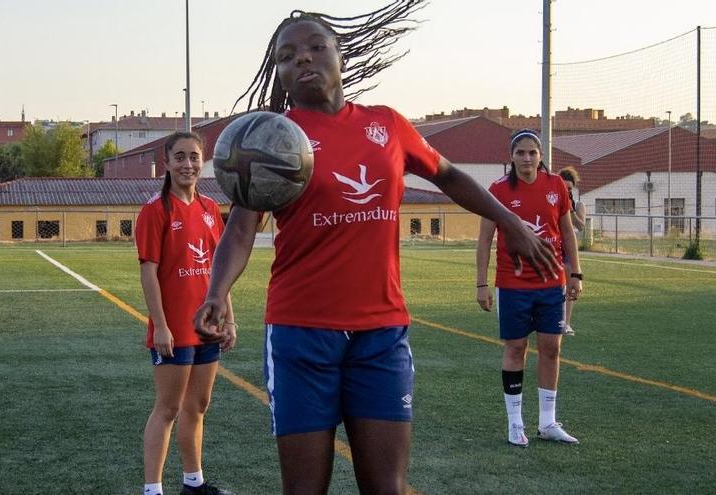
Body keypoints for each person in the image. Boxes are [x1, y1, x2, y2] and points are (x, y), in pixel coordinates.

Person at [194, 4, 558, 493]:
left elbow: (447, 175)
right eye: (287, 56)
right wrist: (218, 290)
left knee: (387, 487)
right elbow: (240, 228)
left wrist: (510, 222)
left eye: (316, 48)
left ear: (339, 55)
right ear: (279, 72)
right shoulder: (273, 138)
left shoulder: (387, 125)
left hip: (381, 333)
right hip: (302, 333)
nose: (302, 60)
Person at [135, 131, 236, 495]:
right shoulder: (155, 210)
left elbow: (220, 271)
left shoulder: (210, 209)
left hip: (207, 328)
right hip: (174, 330)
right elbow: (149, 271)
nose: (187, 164)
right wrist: (160, 325)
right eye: (180, 157)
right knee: (168, 408)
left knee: (198, 405)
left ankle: (193, 483)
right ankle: (152, 489)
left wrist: (230, 319)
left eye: (194, 157)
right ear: (166, 163)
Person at [475, 129, 583, 448]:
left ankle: (548, 422)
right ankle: (515, 423)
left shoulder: (555, 187)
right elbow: (484, 240)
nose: (526, 158)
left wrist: (575, 273)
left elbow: (567, 233)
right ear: (511, 156)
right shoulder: (497, 191)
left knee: (552, 347)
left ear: (540, 156)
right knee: (516, 348)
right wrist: (482, 284)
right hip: (513, 284)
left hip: (552, 283)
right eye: (520, 152)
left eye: (532, 152)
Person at [558, 167, 586, 336]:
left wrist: (570, 208)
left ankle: (566, 323)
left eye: (569, 188)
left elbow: (581, 225)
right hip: (553, 247)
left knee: (570, 285)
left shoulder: (578, 204)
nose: (566, 190)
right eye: (563, 186)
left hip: (568, 248)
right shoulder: (552, 199)